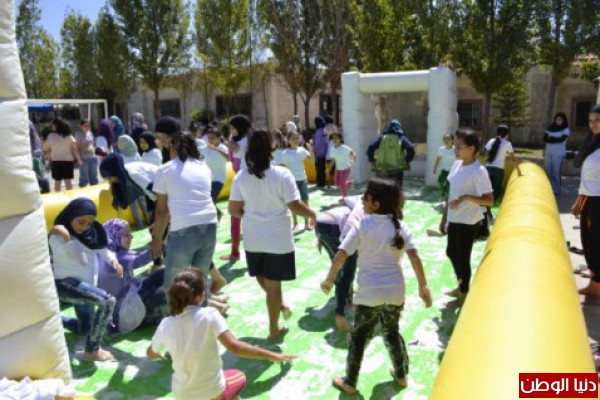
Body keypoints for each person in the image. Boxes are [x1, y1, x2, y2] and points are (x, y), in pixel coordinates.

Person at [320, 179, 432, 394]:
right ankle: (401, 375)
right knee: (391, 332)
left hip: (369, 293)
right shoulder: (400, 226)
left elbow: (341, 255)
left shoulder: (362, 226)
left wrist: (328, 280)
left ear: (376, 204)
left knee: (359, 337)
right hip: (395, 291)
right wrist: (423, 286)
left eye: (365, 197)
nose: (362, 200)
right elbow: (414, 257)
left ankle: (350, 382)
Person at [147, 268, 295, 400]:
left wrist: (157, 353)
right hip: (213, 392)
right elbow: (235, 347)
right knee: (239, 376)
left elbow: (151, 352)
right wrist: (271, 355)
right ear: (201, 296)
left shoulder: (166, 324)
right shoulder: (210, 314)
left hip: (183, 395)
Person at [228, 129, 316, 340]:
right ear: (272, 148)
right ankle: (274, 329)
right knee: (274, 285)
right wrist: (313, 214)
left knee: (261, 276)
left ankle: (280, 306)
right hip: (278, 239)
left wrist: (252, 215)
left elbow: (233, 209)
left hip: (253, 237)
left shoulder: (241, 176)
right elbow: (294, 205)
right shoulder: (282, 174)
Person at [49, 198, 123, 361]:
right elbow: (78, 257)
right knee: (107, 301)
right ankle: (92, 350)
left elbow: (102, 249)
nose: (85, 227)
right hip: (66, 285)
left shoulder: (90, 235)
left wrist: (114, 261)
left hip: (86, 286)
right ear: (70, 217)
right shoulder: (57, 237)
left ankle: (53, 319)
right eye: (81, 222)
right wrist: (67, 237)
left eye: (89, 223)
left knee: (85, 329)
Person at [151, 131, 218, 306]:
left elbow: (161, 211)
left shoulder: (165, 169)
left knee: (173, 284)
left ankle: (174, 320)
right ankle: (201, 318)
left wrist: (157, 240)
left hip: (184, 230)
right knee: (199, 282)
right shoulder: (204, 167)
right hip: (209, 226)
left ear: (173, 148)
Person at [439, 130, 494, 308]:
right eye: (455, 146)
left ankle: (463, 294)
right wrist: (444, 218)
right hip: (454, 218)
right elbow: (451, 193)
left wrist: (467, 198)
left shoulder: (479, 171)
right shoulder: (457, 165)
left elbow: (489, 200)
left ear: (471, 149)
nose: (455, 149)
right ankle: (461, 284)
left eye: (459, 147)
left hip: (468, 221)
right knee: (451, 252)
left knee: (462, 257)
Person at [98, 219, 166, 333]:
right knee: (165, 291)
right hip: (125, 314)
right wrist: (162, 239)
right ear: (113, 237)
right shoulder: (116, 258)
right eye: (126, 235)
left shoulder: (112, 252)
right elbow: (143, 257)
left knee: (165, 274)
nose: (131, 237)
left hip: (132, 295)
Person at [315, 196, 361, 332]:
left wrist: (320, 238)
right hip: (335, 227)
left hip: (321, 223)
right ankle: (341, 312)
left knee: (337, 265)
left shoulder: (358, 200)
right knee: (348, 271)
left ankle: (344, 294)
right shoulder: (367, 211)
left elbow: (341, 199)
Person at [572, 104, 600, 297]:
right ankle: (594, 282)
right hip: (588, 199)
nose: (593, 124)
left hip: (597, 202)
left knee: (594, 243)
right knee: (588, 241)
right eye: (591, 121)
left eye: (598, 120)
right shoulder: (594, 142)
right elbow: (589, 179)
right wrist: (579, 202)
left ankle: (596, 287)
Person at [221, 115, 252, 261]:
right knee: (244, 215)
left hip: (242, 180)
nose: (231, 130)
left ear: (240, 128)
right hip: (248, 179)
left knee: (235, 215)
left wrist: (226, 142)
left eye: (232, 128)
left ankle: (235, 252)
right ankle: (238, 251)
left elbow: (234, 150)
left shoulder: (243, 141)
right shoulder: (248, 138)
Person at [280, 130, 315, 230]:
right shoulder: (285, 153)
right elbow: (282, 167)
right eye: (293, 138)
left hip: (302, 179)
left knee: (305, 201)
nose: (296, 140)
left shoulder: (302, 150)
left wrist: (310, 149)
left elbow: (312, 161)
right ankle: (295, 223)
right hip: (291, 181)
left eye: (297, 138)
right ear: (288, 140)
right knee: (294, 202)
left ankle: (306, 223)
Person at [367, 119, 415, 188]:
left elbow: (371, 147)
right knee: (396, 191)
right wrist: (407, 160)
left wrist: (372, 160)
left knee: (381, 191)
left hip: (382, 171)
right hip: (397, 170)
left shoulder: (381, 138)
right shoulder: (401, 138)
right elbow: (410, 148)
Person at [484, 124, 522, 202]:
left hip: (487, 168)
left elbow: (485, 154)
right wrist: (518, 171)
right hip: (498, 170)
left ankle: (484, 207)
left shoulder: (491, 141)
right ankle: (489, 207)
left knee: (486, 190)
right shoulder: (507, 144)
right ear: (507, 134)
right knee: (496, 190)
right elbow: (513, 159)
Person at [199, 127, 229, 222]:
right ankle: (218, 212)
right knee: (206, 200)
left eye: (213, 138)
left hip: (219, 179)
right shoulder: (204, 149)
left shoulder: (223, 148)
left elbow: (229, 157)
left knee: (211, 199)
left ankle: (215, 216)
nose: (210, 140)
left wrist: (216, 149)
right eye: (209, 138)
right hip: (207, 179)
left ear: (219, 138)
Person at [46, 117, 82, 192]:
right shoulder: (69, 136)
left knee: (57, 181)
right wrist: (79, 160)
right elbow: (74, 150)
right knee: (68, 182)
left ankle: (57, 197)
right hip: (67, 161)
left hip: (56, 161)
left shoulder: (50, 136)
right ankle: (71, 196)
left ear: (55, 126)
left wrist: (49, 161)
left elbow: (49, 150)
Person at [544, 112, 570, 195]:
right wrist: (554, 139)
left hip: (558, 154)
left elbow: (561, 139)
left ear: (563, 120)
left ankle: (556, 189)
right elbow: (545, 138)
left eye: (560, 120)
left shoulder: (566, 129)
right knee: (547, 170)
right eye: (557, 119)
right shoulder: (550, 128)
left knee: (556, 172)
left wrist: (551, 139)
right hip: (548, 152)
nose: (558, 121)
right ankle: (547, 188)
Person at [329, 129, 356, 198]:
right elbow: (333, 160)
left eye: (336, 138)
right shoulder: (332, 150)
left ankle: (346, 198)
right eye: (333, 138)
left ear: (340, 139)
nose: (334, 140)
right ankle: (350, 182)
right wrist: (329, 168)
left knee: (342, 184)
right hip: (338, 169)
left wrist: (353, 160)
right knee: (337, 184)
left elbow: (353, 153)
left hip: (345, 168)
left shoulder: (345, 148)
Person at [75, 119, 99, 188]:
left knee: (94, 176)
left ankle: (94, 189)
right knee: (84, 177)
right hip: (83, 158)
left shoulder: (90, 133)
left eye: (88, 126)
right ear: (81, 126)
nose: (87, 127)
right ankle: (83, 189)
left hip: (92, 157)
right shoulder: (78, 134)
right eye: (85, 126)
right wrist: (79, 159)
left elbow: (93, 144)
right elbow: (76, 148)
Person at [432, 133, 455, 200]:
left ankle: (446, 199)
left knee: (449, 187)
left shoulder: (455, 149)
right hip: (444, 170)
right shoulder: (441, 149)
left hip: (452, 171)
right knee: (440, 183)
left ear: (452, 140)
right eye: (445, 139)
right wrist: (435, 168)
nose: (446, 140)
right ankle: (444, 194)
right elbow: (438, 159)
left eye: (448, 139)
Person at [29, 121, 50, 193]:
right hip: (36, 152)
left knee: (40, 175)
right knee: (40, 174)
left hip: (34, 153)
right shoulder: (27, 122)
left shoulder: (26, 123)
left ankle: (45, 190)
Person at [313, 116, 329, 188]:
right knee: (322, 168)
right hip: (324, 151)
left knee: (319, 168)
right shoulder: (324, 130)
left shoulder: (318, 131)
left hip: (319, 153)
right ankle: (322, 182)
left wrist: (314, 151)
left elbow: (318, 143)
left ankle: (320, 183)